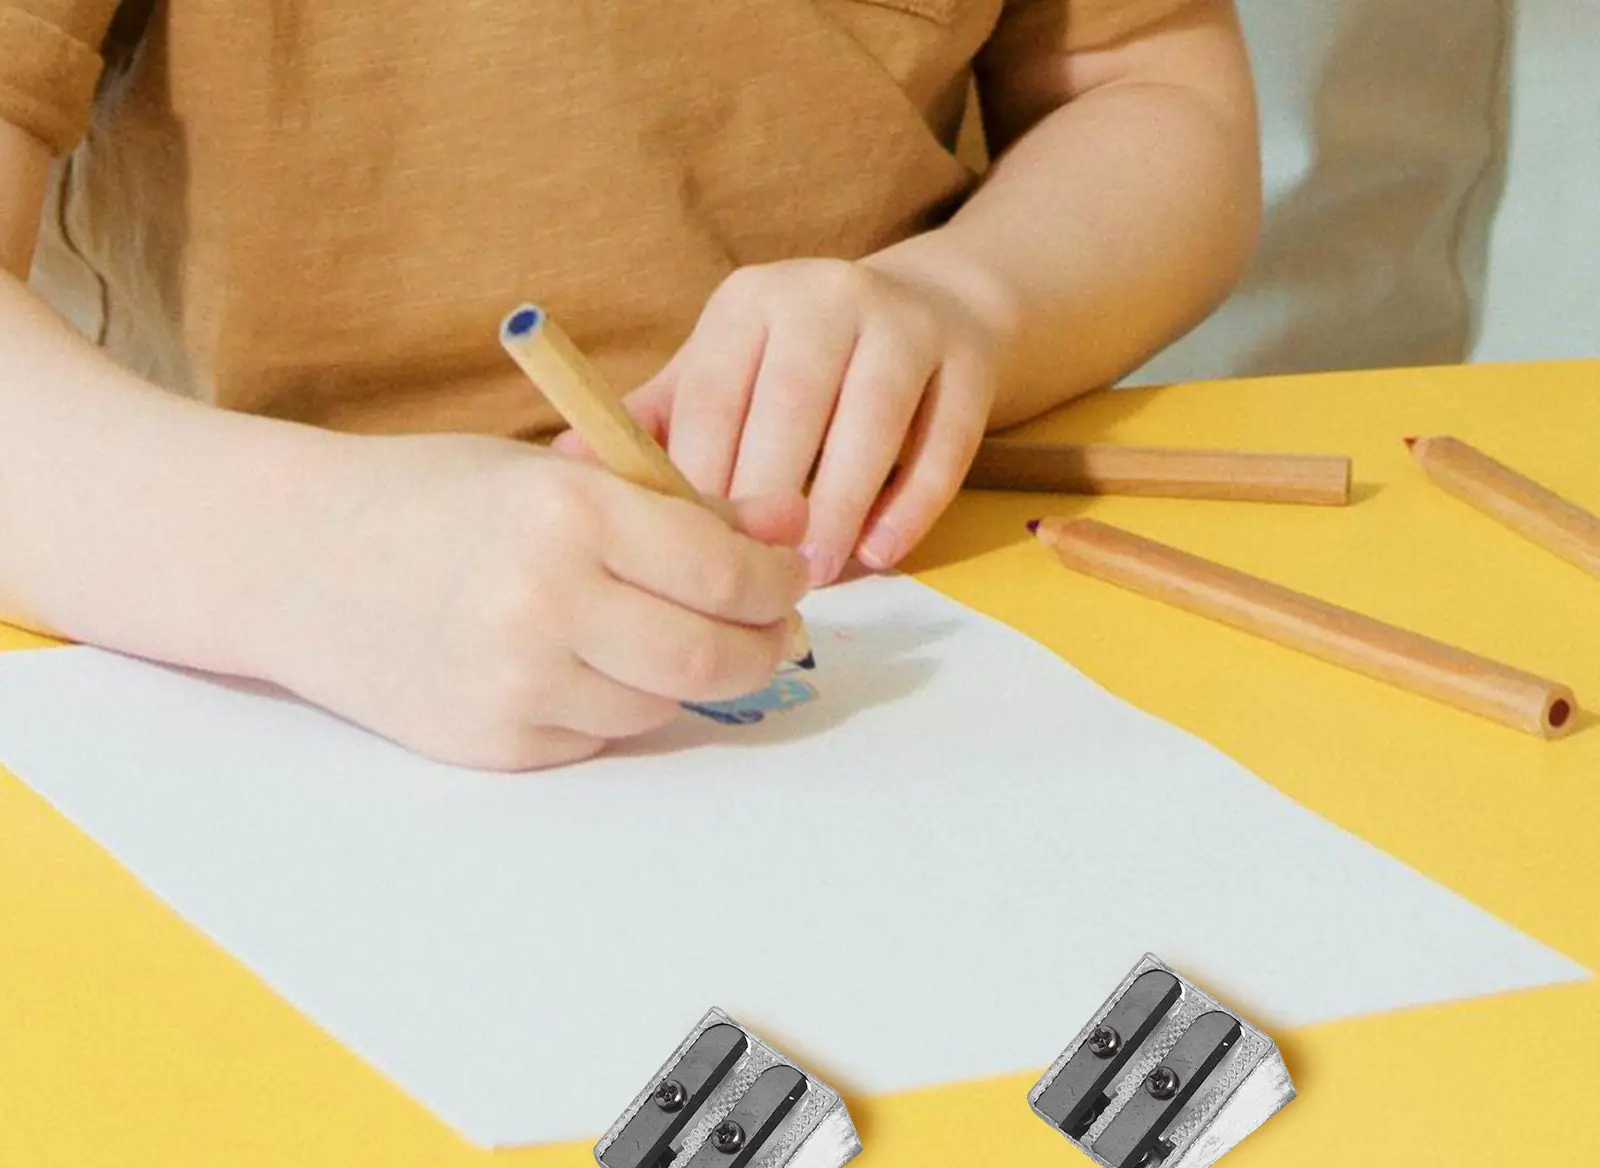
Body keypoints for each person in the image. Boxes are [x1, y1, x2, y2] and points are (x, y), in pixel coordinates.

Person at [0, 0, 1259, 769]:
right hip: (236, 648)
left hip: (910, 611)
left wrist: (967, 299)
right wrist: (304, 554)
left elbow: (1153, 83)